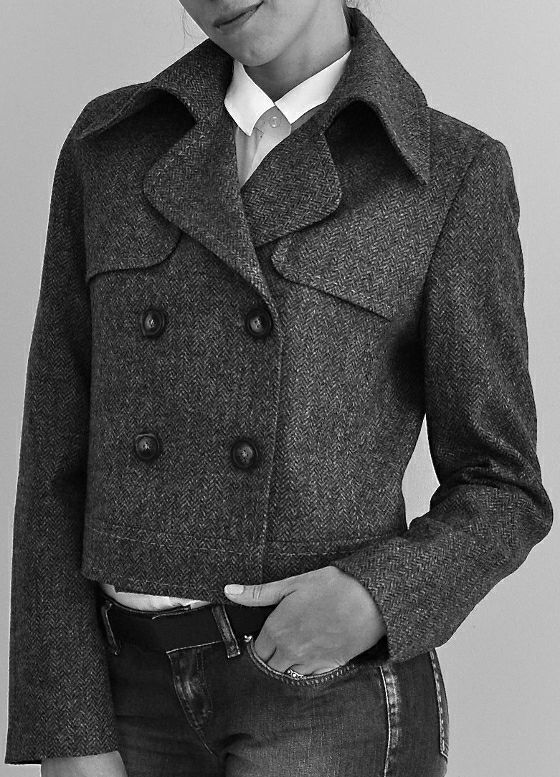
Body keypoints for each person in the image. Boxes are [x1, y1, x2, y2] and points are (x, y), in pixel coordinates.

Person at [6, 1, 554, 775]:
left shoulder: (447, 171)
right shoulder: (111, 147)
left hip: (324, 695)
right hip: (125, 692)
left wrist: (378, 597)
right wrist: (67, 728)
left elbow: (504, 486)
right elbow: (53, 464)